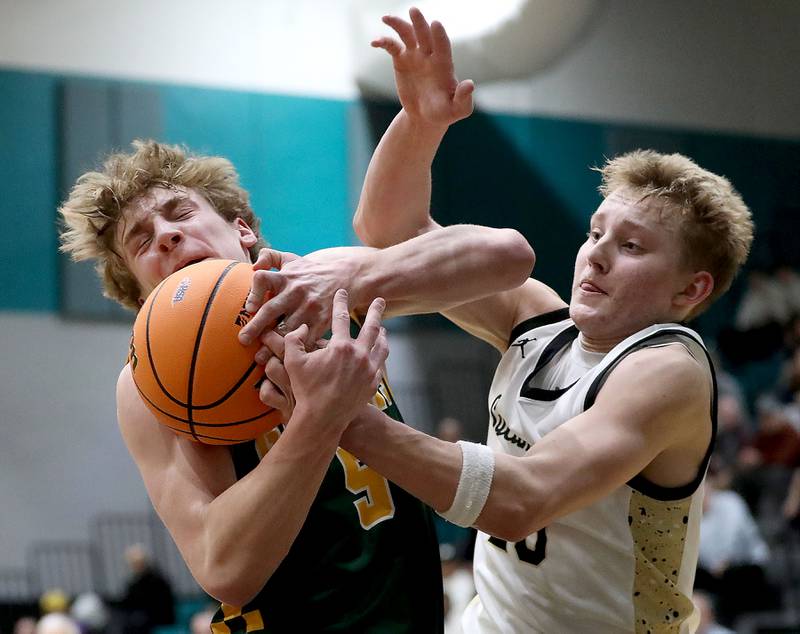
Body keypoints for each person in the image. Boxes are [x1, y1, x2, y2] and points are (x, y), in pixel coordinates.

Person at [242, 8, 755, 632]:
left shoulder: (668, 369)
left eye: (631, 245)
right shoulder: (537, 319)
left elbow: (520, 500)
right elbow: (393, 236)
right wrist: (420, 123)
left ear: (690, 289)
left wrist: (340, 419)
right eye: (596, 232)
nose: (594, 253)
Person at [58, 131, 534, 631]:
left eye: (180, 214)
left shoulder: (317, 289)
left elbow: (509, 258)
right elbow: (223, 566)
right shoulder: (149, 384)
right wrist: (317, 421)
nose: (165, 236)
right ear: (138, 289)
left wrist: (360, 276)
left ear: (242, 230)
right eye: (141, 240)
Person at [118, 544, 175, 634]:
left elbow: (141, 602)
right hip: (147, 617)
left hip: (159, 617)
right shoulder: (137, 581)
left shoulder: (156, 580)